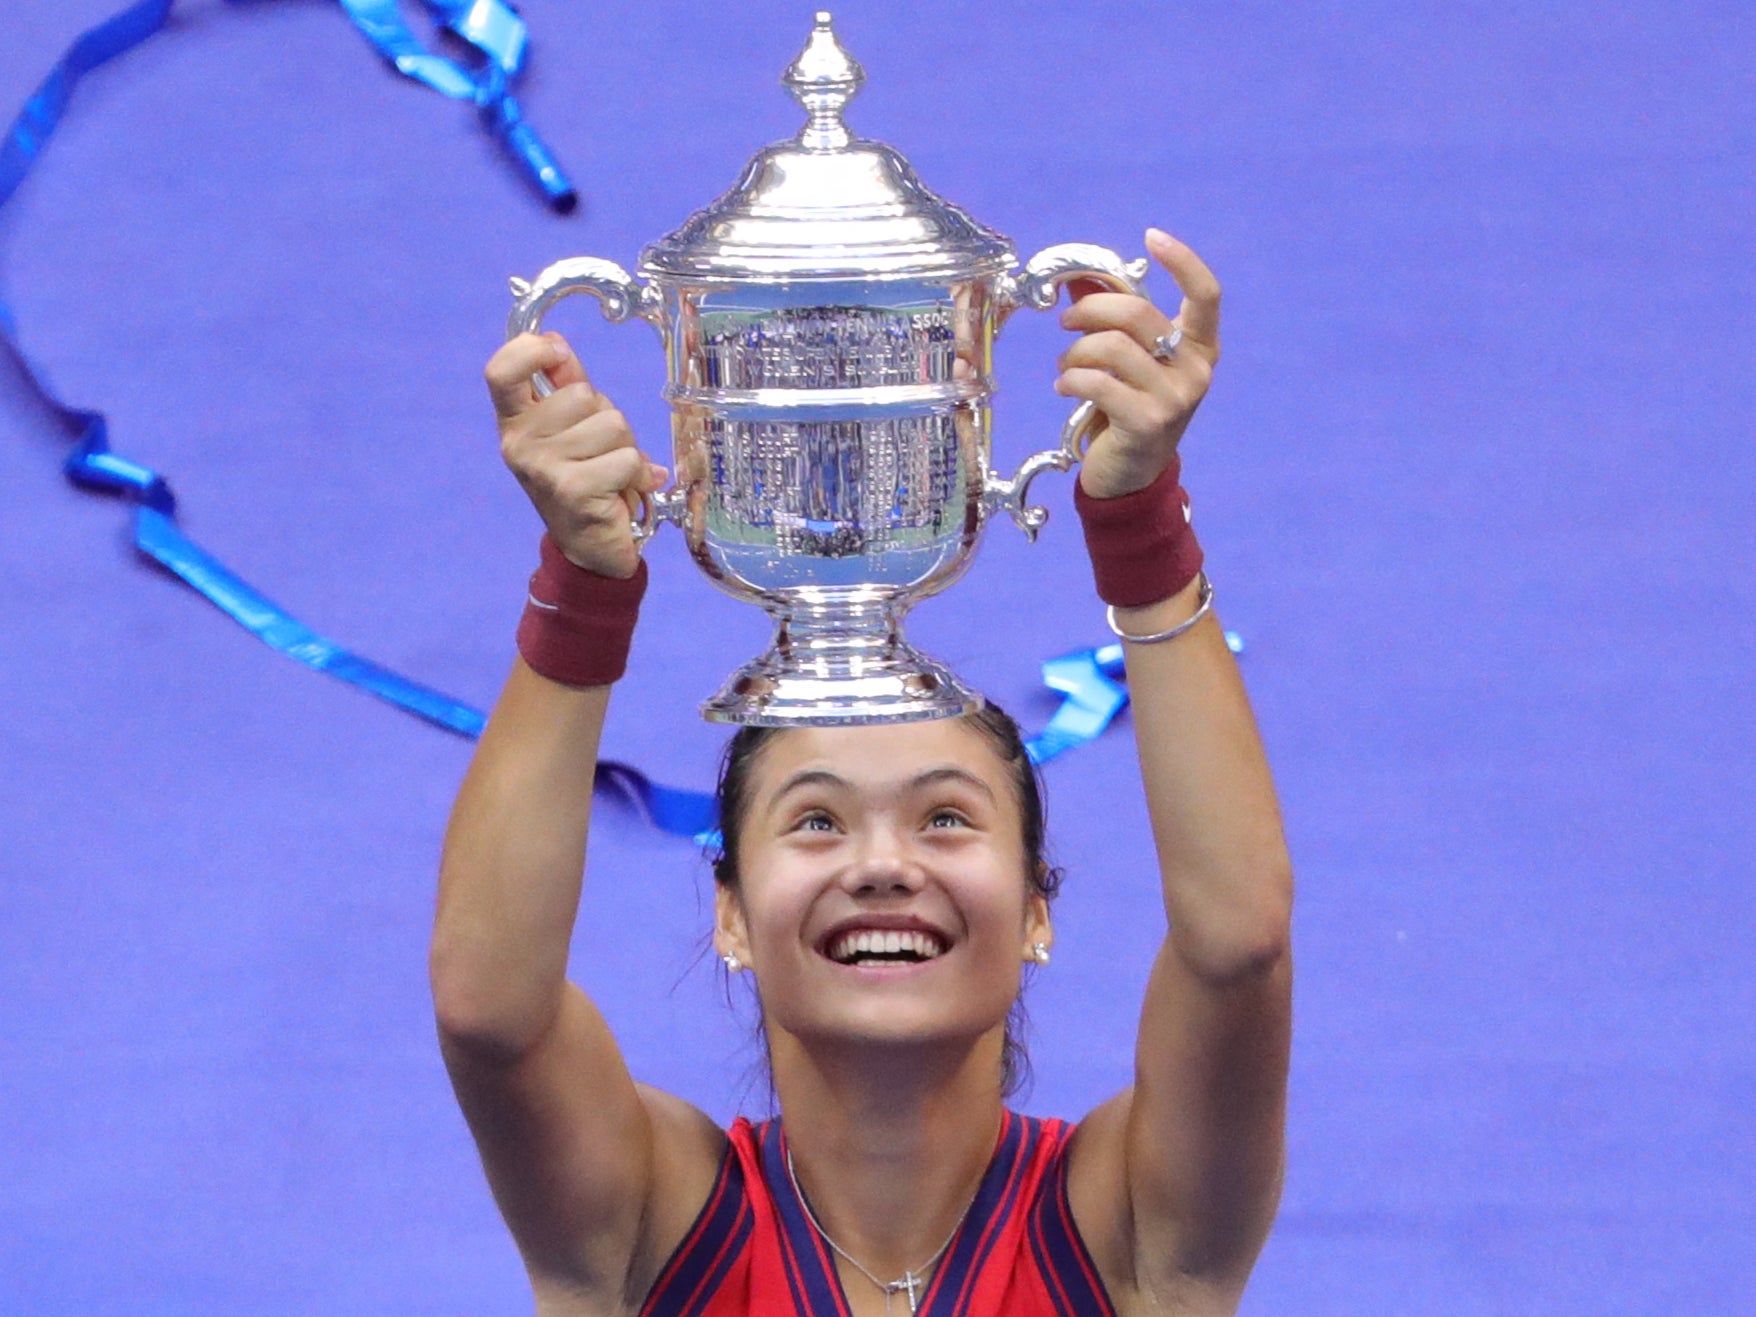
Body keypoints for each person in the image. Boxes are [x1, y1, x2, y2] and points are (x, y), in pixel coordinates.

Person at [432, 228, 1293, 1316]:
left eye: (944, 820)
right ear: (731, 916)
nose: (883, 864)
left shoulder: (1129, 1228)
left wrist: (1137, 526)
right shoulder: (653, 1220)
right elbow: (488, 1013)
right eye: (815, 824)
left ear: (1035, 907)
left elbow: (1240, 946)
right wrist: (585, 583)